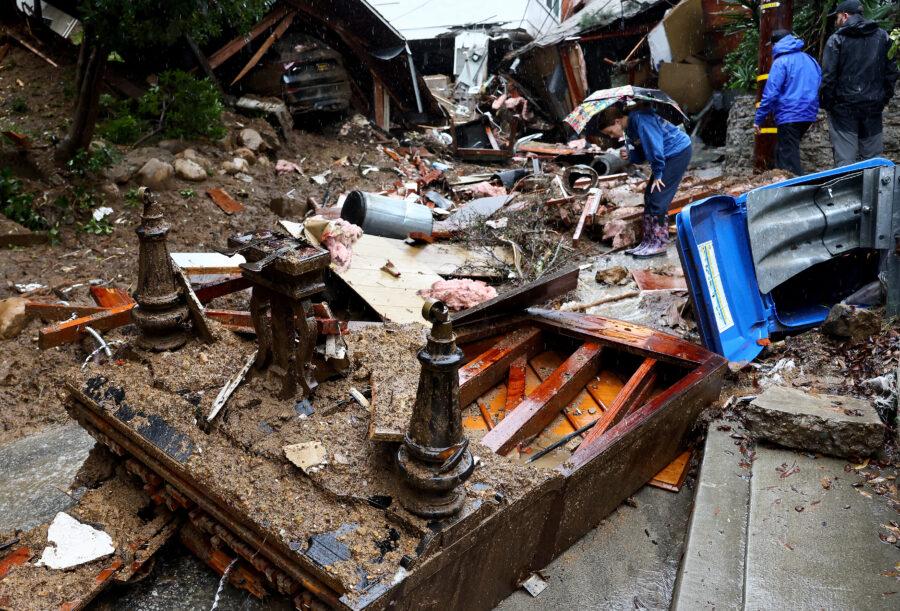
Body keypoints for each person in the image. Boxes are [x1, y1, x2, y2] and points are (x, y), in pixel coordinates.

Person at [598, 106, 692, 258]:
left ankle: (659, 244)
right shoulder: (630, 128)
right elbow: (642, 154)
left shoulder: (641, 119)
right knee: (649, 195)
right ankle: (649, 241)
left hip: (677, 153)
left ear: (617, 121)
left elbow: (655, 147)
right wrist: (630, 154)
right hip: (666, 155)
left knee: (658, 197)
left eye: (610, 132)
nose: (612, 136)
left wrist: (658, 173)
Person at [820, 0, 899, 166]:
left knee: (845, 162)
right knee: (873, 162)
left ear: (846, 16)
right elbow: (891, 72)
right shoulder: (883, 36)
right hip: (872, 108)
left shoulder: (837, 40)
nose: (836, 22)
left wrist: (828, 103)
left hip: (843, 110)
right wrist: (882, 99)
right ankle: (873, 192)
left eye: (837, 17)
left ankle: (848, 191)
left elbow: (829, 76)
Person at [753, 29, 822, 176]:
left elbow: (770, 94)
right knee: (782, 151)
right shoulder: (810, 59)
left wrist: (759, 119)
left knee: (788, 159)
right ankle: (784, 182)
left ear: (776, 44)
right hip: (807, 115)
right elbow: (818, 88)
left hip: (789, 115)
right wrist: (812, 114)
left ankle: (796, 189)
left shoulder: (780, 62)